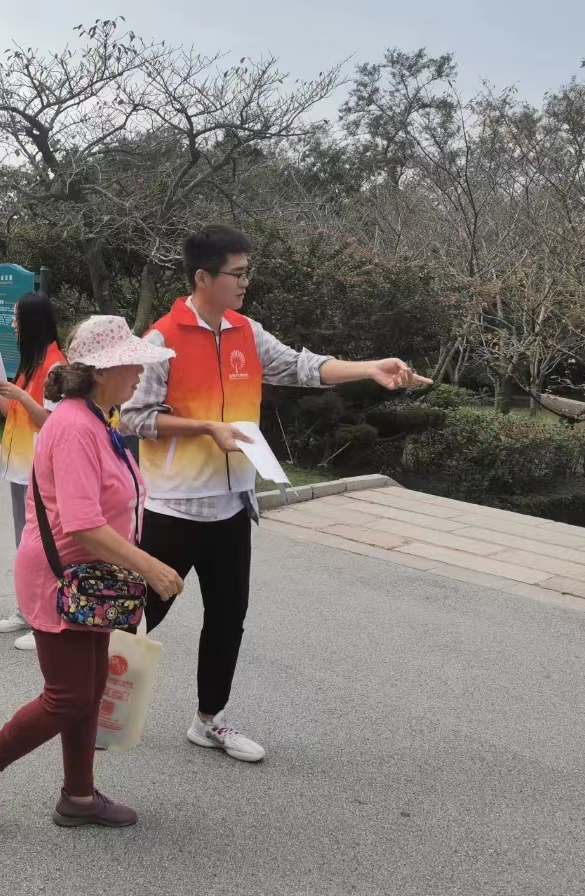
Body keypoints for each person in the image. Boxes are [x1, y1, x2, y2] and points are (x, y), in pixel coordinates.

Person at [119, 224, 430, 764]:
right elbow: (132, 417)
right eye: (237, 274)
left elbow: (302, 367)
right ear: (203, 277)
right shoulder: (161, 340)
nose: (245, 282)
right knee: (139, 610)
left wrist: (369, 368)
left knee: (227, 617)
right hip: (173, 505)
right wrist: (203, 428)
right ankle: (97, 702)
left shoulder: (247, 331)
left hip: (233, 504)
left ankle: (209, 720)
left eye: (247, 273)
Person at [0, 315, 183, 830]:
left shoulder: (96, 419)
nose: (140, 373)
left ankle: (78, 796)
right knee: (69, 694)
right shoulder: (77, 427)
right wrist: (151, 568)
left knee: (89, 687)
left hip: (88, 578)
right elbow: (82, 524)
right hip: (62, 578)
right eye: (131, 364)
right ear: (100, 372)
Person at [0, 292, 65, 651]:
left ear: (32, 322)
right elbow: (14, 413)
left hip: (41, 470)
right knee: (25, 543)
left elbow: (52, 421)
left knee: (41, 545)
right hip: (20, 468)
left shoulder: (55, 366)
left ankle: (45, 617)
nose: (13, 325)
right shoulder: (31, 363)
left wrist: (18, 395)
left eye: (17, 318)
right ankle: (26, 609)